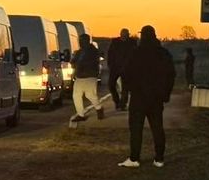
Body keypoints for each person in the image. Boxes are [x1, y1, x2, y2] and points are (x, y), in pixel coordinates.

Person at [118, 25, 175, 169]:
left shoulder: (135, 53)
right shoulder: (163, 53)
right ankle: (159, 158)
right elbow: (171, 75)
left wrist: (129, 89)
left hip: (138, 96)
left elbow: (125, 73)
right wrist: (166, 94)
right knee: (157, 128)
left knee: (136, 129)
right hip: (156, 97)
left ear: (142, 36)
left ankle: (134, 158)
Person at [68, 33, 104, 126]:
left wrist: (78, 64)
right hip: (80, 76)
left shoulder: (93, 51)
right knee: (76, 95)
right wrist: (74, 63)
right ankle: (81, 114)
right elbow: (74, 61)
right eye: (80, 40)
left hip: (90, 76)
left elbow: (89, 62)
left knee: (90, 95)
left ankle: (99, 108)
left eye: (82, 40)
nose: (80, 42)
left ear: (86, 41)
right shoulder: (80, 52)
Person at [106, 27, 136, 110]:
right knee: (111, 85)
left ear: (128, 35)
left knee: (125, 88)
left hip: (127, 69)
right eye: (123, 34)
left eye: (126, 35)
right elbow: (110, 54)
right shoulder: (115, 42)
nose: (124, 36)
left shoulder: (132, 43)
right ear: (120, 34)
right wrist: (110, 65)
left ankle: (122, 104)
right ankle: (117, 102)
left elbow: (134, 55)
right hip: (115, 68)